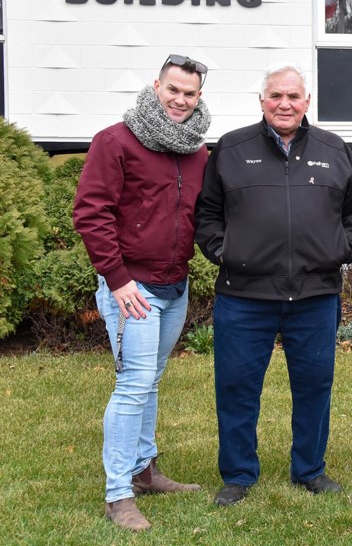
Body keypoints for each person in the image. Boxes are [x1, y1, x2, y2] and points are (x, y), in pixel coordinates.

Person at [194, 63, 352, 507]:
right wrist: (225, 250)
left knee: (314, 385)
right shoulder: (232, 148)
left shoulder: (333, 149)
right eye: (276, 96)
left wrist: (344, 246)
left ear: (307, 101)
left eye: (293, 96)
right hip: (243, 296)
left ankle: (309, 469)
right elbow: (207, 214)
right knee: (236, 387)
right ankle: (238, 474)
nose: (285, 104)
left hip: (314, 296)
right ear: (262, 101)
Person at [74, 54, 211, 531]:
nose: (180, 100)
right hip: (131, 288)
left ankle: (145, 469)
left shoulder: (197, 150)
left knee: (150, 379)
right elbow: (91, 214)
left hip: (176, 284)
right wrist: (117, 280)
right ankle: (118, 493)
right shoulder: (115, 141)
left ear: (199, 97)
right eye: (173, 89)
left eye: (189, 93)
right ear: (156, 86)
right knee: (133, 384)